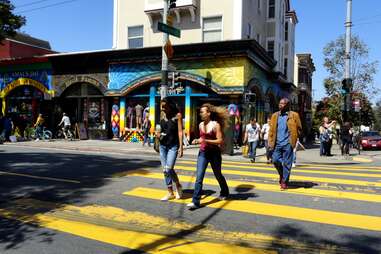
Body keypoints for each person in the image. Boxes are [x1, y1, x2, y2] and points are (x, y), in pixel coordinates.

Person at [187, 103, 230, 209]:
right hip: (203, 153)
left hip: (214, 153)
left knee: (218, 174)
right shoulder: (200, 125)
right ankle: (195, 201)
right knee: (199, 177)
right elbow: (201, 139)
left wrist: (205, 140)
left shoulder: (216, 125)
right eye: (200, 112)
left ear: (209, 113)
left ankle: (225, 191)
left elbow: (220, 140)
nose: (200, 114)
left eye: (202, 112)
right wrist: (197, 140)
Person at [268, 98, 302, 190]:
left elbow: (299, 128)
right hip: (277, 143)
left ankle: (284, 181)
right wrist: (270, 142)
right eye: (280, 103)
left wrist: (294, 139)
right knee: (275, 160)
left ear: (287, 105)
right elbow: (271, 130)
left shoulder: (294, 115)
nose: (280, 105)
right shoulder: (275, 115)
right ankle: (282, 175)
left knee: (287, 163)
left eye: (282, 104)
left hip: (288, 143)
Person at [157, 97, 183, 201]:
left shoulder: (177, 116)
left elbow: (180, 132)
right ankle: (170, 192)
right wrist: (157, 134)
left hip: (173, 146)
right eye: (161, 106)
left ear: (170, 106)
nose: (162, 109)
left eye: (164, 106)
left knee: (169, 168)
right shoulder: (162, 115)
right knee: (165, 170)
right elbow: (159, 128)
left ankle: (178, 185)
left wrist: (181, 147)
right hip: (163, 145)